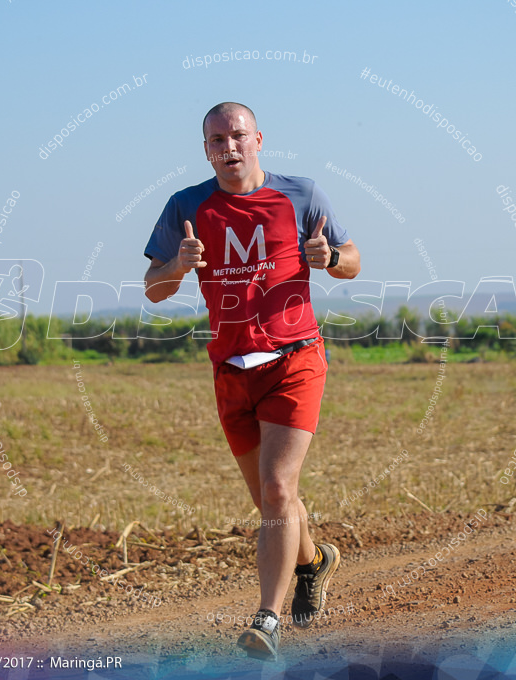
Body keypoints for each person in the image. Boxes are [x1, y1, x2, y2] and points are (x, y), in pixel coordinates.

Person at [142, 102, 360, 660]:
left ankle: (266, 619)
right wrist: (178, 266)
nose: (229, 147)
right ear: (206, 148)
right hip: (231, 368)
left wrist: (329, 254)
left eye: (238, 135)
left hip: (295, 358)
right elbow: (152, 287)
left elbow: (354, 259)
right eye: (217, 139)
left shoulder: (302, 194)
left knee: (279, 489)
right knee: (271, 501)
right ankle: (315, 563)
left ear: (258, 138)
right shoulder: (186, 206)